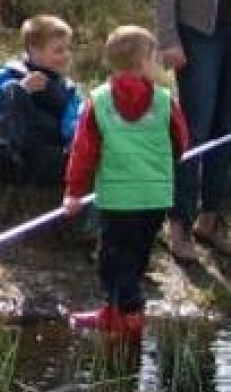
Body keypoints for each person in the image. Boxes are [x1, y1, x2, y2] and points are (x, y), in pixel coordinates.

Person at [63, 25, 190, 339]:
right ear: (145, 62)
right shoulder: (165, 101)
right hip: (156, 196)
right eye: (155, 57)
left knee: (112, 260)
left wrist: (74, 192)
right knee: (136, 258)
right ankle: (115, 314)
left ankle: (129, 320)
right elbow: (181, 142)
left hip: (118, 199)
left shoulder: (98, 102)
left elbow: (83, 153)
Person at [154, 0, 231, 258]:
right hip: (197, 35)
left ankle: (210, 218)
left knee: (226, 128)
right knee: (194, 129)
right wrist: (168, 39)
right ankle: (179, 223)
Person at [0, 15, 82, 185]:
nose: (66, 55)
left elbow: (73, 126)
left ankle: (19, 171)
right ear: (34, 50)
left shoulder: (67, 89)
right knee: (12, 90)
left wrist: (76, 141)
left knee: (73, 162)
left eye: (67, 49)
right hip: (2, 148)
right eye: (58, 50)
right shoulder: (10, 74)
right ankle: (3, 156)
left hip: (36, 152)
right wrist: (23, 88)